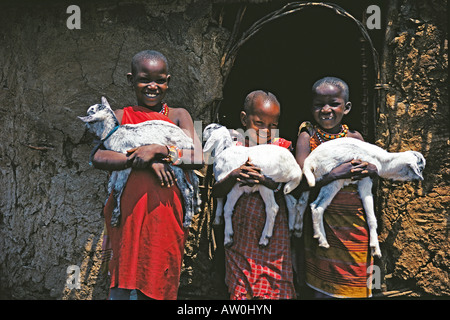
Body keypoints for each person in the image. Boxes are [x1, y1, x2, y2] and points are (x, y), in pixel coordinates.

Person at [91, 50, 203, 300]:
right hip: (129, 213)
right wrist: (139, 160)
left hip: (165, 213)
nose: (153, 86)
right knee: (123, 278)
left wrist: (159, 150)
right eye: (144, 79)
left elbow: (198, 157)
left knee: (158, 277)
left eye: (160, 80)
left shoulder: (178, 115)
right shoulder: (120, 117)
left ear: (168, 81)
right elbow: (97, 157)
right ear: (131, 80)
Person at [294, 76, 378, 298]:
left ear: (347, 107)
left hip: (355, 225)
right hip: (323, 224)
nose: (326, 110)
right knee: (322, 288)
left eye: (334, 103)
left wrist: (371, 169)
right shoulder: (308, 136)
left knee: (358, 281)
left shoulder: (355, 138)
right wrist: (334, 174)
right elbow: (301, 181)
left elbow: (373, 170)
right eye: (319, 104)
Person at [212, 90, 296, 300]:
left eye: (273, 125)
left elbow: (293, 184)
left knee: (275, 286)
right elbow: (217, 191)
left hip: (274, 231)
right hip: (239, 234)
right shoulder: (233, 150)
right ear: (244, 118)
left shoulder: (282, 150)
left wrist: (265, 180)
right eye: (259, 123)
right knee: (241, 288)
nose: (267, 131)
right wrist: (234, 175)